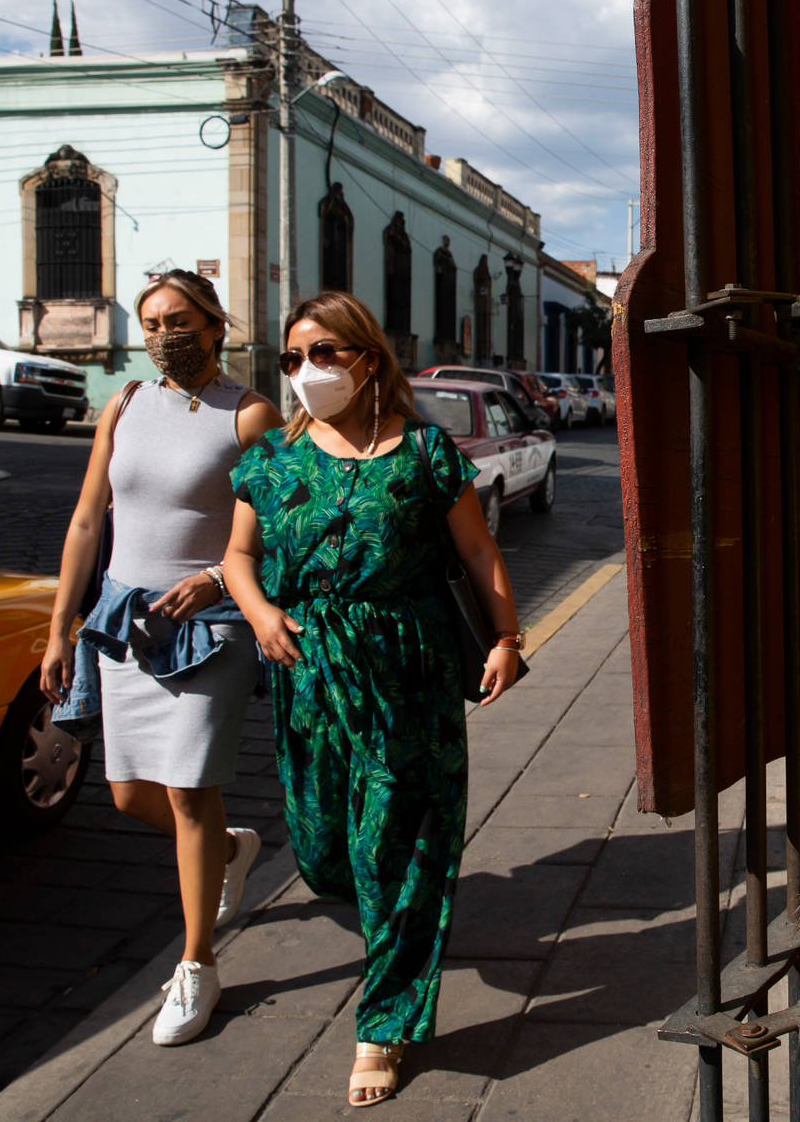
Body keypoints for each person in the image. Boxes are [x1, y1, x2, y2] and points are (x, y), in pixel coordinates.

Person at [222, 290, 525, 1108]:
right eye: (292, 358)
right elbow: (238, 557)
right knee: (324, 853)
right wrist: (259, 612)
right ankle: (384, 922)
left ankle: (383, 1025)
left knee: (396, 848)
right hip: (309, 672)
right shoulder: (274, 460)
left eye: (323, 353)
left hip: (409, 673)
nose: (305, 372)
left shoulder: (425, 453)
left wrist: (506, 638)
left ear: (366, 357)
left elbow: (477, 548)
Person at [43, 269, 283, 1047]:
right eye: (149, 323)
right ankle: (230, 848)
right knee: (124, 795)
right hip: (126, 623)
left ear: (215, 326)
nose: (161, 335)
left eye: (177, 320)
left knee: (186, 794)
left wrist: (214, 578)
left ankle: (197, 965)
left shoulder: (248, 416)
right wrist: (59, 629)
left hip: (209, 630)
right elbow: (87, 522)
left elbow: (281, 533)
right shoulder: (125, 403)